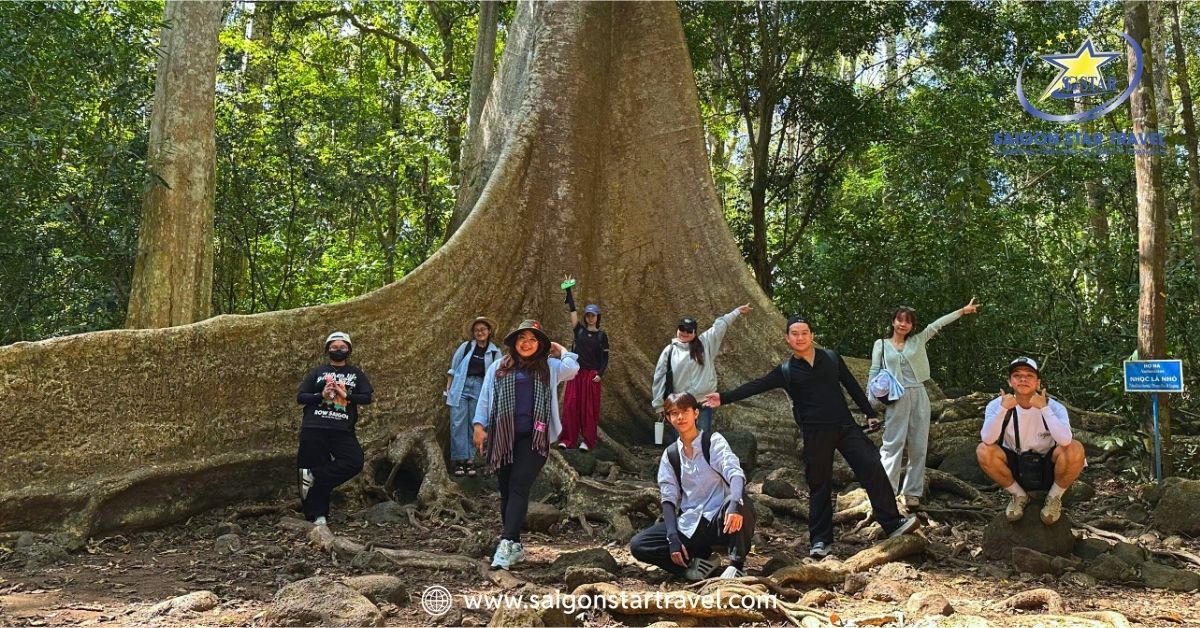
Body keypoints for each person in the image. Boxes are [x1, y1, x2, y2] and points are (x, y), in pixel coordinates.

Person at [703, 316, 918, 558]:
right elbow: (756, 386)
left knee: (872, 468)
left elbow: (852, 386)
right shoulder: (786, 371)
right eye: (794, 333)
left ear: (812, 335)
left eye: (804, 332)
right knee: (819, 486)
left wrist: (869, 413)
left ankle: (893, 523)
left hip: (846, 427)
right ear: (787, 338)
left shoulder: (831, 358)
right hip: (815, 434)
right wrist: (723, 398)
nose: (800, 337)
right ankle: (820, 540)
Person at [473, 320, 579, 569]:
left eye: (533, 339)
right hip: (504, 436)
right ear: (514, 342)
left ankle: (507, 541)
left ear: (540, 344)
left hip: (534, 438)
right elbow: (486, 396)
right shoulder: (500, 366)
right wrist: (479, 426)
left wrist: (559, 349)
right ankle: (516, 546)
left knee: (519, 485)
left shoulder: (549, 367)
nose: (527, 343)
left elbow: (573, 368)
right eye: (522, 338)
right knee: (507, 490)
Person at [868, 299, 979, 509]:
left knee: (919, 446)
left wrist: (962, 311)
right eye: (899, 320)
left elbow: (936, 325)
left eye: (907, 322)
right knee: (892, 445)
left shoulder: (917, 341)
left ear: (912, 326)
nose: (903, 324)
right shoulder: (880, 344)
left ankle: (912, 493)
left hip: (919, 394)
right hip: (895, 396)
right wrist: (869, 404)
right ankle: (886, 492)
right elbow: (874, 372)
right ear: (893, 322)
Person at [630, 392, 753, 580]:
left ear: (696, 413)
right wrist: (672, 537)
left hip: (721, 522)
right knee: (640, 544)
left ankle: (736, 565)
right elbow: (668, 499)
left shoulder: (712, 442)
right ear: (669, 418)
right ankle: (696, 564)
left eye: (685, 411)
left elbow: (735, 473)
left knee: (740, 500)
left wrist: (735, 503)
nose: (680, 417)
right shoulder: (670, 455)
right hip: (690, 523)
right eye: (673, 413)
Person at [977, 357, 1086, 525]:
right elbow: (988, 439)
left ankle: (1054, 498)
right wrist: (1003, 409)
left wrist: (1044, 409)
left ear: (1038, 382)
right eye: (1017, 375)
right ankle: (1018, 495)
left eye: (1029, 375)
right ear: (1010, 381)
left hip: (1047, 464)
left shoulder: (1054, 407)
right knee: (983, 450)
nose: (1023, 379)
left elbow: (1065, 440)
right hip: (1016, 464)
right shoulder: (997, 405)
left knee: (1075, 448)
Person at [296, 331, 375, 527]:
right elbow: (301, 397)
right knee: (314, 462)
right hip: (315, 426)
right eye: (334, 347)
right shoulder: (317, 372)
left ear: (348, 350)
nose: (338, 350)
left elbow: (366, 398)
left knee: (353, 461)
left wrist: (345, 394)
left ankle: (314, 475)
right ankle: (317, 516)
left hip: (342, 429)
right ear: (327, 349)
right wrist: (320, 395)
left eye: (342, 347)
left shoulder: (356, 374)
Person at [652, 304, 752, 441]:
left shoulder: (705, 343)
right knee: (683, 440)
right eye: (682, 328)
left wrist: (736, 312)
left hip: (703, 402)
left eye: (689, 330)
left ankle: (702, 462)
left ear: (694, 332)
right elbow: (660, 377)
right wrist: (659, 405)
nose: (684, 332)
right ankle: (684, 462)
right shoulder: (669, 351)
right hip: (680, 403)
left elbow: (720, 326)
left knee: (702, 440)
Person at [445, 317, 502, 476]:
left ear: (489, 331)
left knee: (474, 423)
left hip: (480, 388)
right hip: (461, 386)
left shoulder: (495, 352)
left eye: (483, 329)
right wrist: (449, 388)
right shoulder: (466, 347)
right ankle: (459, 461)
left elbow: (498, 374)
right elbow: (454, 368)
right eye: (477, 330)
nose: (480, 332)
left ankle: (470, 461)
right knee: (457, 423)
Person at [558, 278, 610, 450]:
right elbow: (572, 310)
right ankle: (567, 439)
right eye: (588, 315)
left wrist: (599, 374)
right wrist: (569, 292)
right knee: (571, 406)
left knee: (589, 410)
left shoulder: (602, 336)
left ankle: (587, 441)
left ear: (597, 317)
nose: (590, 318)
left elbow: (605, 358)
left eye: (593, 315)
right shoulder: (578, 330)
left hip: (591, 375)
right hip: (575, 373)